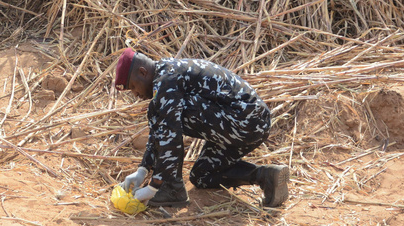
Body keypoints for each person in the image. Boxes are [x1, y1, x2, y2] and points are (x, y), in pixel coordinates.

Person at [114, 48, 288, 208]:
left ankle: (171, 187)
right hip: (248, 125)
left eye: (133, 87)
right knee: (202, 176)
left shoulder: (166, 79)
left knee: (170, 115)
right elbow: (158, 124)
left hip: (247, 121)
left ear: (143, 72)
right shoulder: (166, 75)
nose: (135, 95)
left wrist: (155, 186)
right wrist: (142, 170)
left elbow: (169, 133)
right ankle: (265, 177)